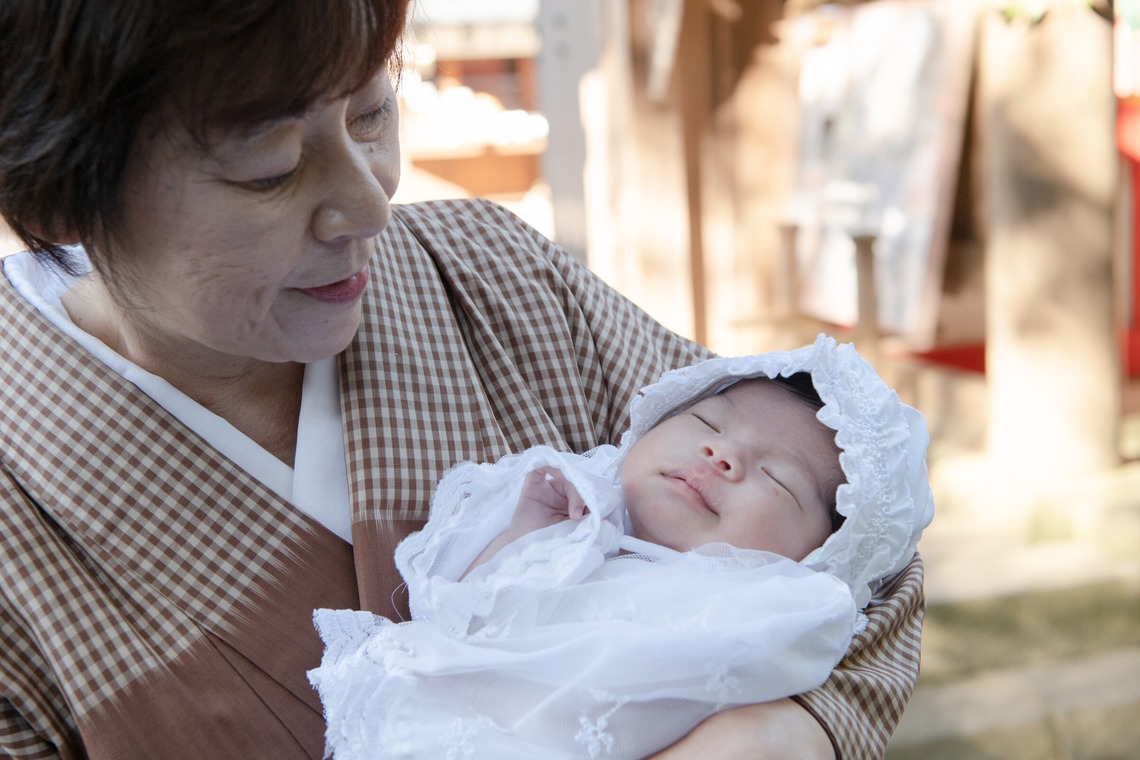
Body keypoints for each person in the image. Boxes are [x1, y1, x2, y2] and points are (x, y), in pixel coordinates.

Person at [0, 1, 926, 758]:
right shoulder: (21, 510)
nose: (371, 204)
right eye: (270, 169)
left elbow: (857, 528)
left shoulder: (498, 279)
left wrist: (787, 733)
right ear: (57, 191)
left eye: (371, 114)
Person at [309, 336, 934, 759]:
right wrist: (526, 535)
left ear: (821, 554)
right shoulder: (578, 510)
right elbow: (459, 617)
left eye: (777, 478)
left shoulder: (781, 607)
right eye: (706, 424)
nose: (722, 454)